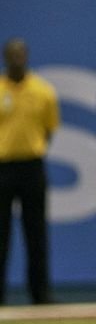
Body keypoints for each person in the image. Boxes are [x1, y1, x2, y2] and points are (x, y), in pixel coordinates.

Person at [0, 38, 60, 305]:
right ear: (5, 58)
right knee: (1, 234)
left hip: (32, 167)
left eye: (20, 54)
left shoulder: (43, 91)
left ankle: (40, 293)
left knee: (36, 232)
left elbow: (49, 130)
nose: (17, 59)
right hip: (2, 167)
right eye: (12, 55)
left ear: (27, 56)